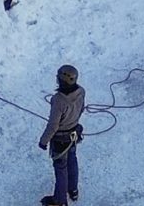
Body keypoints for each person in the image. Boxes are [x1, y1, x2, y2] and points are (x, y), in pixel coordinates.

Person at [39, 65, 86, 206]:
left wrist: (43, 141)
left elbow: (53, 125)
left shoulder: (58, 100)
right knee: (72, 160)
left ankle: (60, 201)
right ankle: (73, 190)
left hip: (60, 140)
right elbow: (81, 109)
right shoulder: (81, 91)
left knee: (61, 169)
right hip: (74, 134)